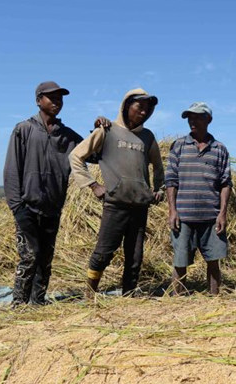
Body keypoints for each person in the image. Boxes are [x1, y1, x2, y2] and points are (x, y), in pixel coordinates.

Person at [70, 88, 165, 297]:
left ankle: (129, 295)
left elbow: (158, 167)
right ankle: (89, 294)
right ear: (126, 106)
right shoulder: (107, 130)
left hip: (140, 206)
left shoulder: (148, 137)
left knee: (135, 256)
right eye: (139, 107)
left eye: (147, 109)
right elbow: (76, 156)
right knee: (104, 252)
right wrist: (93, 185)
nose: (143, 112)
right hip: (115, 204)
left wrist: (159, 189)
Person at [3, 81, 83, 306]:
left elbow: (91, 153)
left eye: (60, 98)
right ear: (39, 100)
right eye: (51, 97)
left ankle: (38, 302)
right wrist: (17, 207)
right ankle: (19, 304)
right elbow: (11, 169)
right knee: (29, 256)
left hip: (53, 207)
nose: (57, 102)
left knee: (45, 257)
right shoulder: (24, 129)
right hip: (27, 206)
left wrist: (101, 130)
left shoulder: (67, 135)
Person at [166, 102, 232, 295]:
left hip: (211, 217)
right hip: (184, 217)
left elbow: (226, 183)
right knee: (180, 261)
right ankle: (178, 299)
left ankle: (214, 298)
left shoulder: (219, 149)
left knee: (213, 261)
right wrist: (172, 211)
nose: (192, 121)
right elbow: (170, 180)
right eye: (189, 117)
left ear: (208, 119)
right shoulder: (179, 146)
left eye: (197, 117)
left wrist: (222, 213)